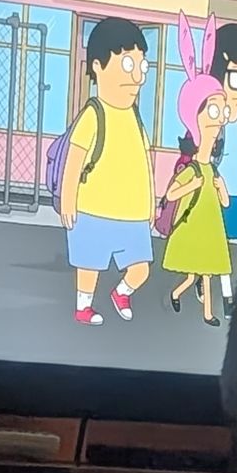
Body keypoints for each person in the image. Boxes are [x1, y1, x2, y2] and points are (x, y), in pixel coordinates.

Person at [59, 18, 154, 326]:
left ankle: (120, 292)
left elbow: (145, 164)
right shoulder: (93, 114)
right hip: (93, 209)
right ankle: (83, 307)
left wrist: (151, 205)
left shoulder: (136, 117)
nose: (137, 76)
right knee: (89, 266)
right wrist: (67, 200)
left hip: (133, 213)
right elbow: (74, 159)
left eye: (142, 66)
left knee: (141, 269)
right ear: (98, 66)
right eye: (128, 64)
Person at [163, 12, 233, 327]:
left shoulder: (212, 170)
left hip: (210, 225)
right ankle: (181, 297)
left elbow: (226, 202)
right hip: (193, 223)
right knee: (195, 273)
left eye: (222, 109)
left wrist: (221, 189)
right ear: (195, 116)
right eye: (214, 109)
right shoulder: (192, 168)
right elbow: (171, 192)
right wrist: (193, 187)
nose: (220, 119)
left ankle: (202, 310)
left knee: (204, 272)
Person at [195, 22, 237, 317]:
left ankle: (202, 276)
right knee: (218, 247)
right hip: (217, 192)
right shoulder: (213, 122)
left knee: (221, 243)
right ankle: (221, 294)